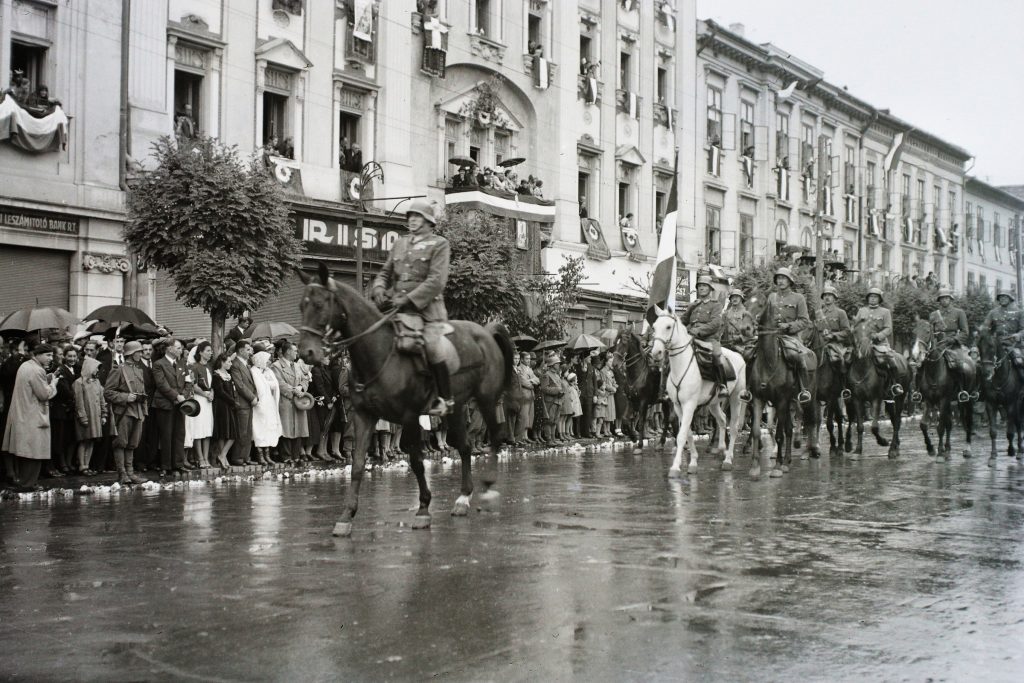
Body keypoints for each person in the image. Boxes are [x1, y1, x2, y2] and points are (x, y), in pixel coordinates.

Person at [371, 198, 454, 416]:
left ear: (429, 222)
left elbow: (436, 281)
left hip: (427, 312)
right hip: (396, 309)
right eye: (410, 216)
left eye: (418, 217)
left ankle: (445, 399)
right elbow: (385, 272)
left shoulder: (439, 244)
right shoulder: (400, 243)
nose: (413, 220)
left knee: (433, 346)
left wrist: (408, 299)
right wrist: (379, 289)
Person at [2, 343, 59, 491]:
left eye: (52, 355)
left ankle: (25, 482)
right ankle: (28, 484)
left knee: (25, 451)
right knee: (34, 452)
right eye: (48, 355)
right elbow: (44, 394)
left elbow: (32, 386)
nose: (50, 358)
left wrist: (45, 379)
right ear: (37, 354)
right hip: (34, 416)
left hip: (22, 414)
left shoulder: (25, 366)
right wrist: (53, 384)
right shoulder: (36, 370)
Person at [103, 341, 149, 484]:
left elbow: (142, 392)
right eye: (139, 352)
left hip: (138, 410)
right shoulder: (118, 369)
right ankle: (122, 474)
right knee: (120, 443)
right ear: (131, 353)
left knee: (132, 443)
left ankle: (130, 473)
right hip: (123, 411)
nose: (141, 354)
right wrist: (125, 397)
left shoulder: (139, 369)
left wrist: (144, 410)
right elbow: (108, 392)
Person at [767, 267, 814, 404]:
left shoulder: (798, 298)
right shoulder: (771, 297)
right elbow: (764, 316)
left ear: (790, 281)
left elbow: (804, 321)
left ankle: (803, 389)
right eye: (778, 278)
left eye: (784, 278)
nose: (780, 281)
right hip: (771, 335)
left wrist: (788, 326)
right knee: (752, 353)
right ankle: (750, 388)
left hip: (790, 337)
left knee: (796, 356)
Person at [853, 288, 904, 399]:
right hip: (862, 344)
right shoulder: (862, 311)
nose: (872, 299)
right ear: (867, 298)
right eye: (871, 297)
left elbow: (888, 328)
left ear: (879, 299)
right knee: (849, 359)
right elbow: (855, 327)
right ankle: (848, 386)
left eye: (875, 297)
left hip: (879, 344)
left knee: (891, 359)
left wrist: (878, 336)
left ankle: (895, 384)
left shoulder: (885, 312)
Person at [152, 338, 190, 476]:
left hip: (180, 404)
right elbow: (161, 384)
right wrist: (176, 396)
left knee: (180, 433)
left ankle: (178, 464)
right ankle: (165, 465)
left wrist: (184, 396)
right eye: (178, 348)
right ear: (169, 348)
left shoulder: (182, 364)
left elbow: (188, 382)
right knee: (166, 435)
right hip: (165, 403)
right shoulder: (158, 364)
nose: (181, 350)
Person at [682, 275, 727, 389]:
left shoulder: (716, 305)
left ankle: (722, 385)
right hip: (690, 337)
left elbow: (715, 324)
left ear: (710, 289)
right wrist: (689, 309)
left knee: (717, 356)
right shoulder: (694, 304)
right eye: (700, 286)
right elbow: (683, 321)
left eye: (704, 286)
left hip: (709, 339)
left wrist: (697, 331)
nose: (701, 288)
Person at [929, 285, 972, 402]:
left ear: (951, 299)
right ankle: (920, 392)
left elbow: (965, 332)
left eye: (946, 298)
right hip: (937, 345)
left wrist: (954, 339)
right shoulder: (933, 315)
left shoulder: (959, 312)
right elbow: (930, 332)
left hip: (953, 345)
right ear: (939, 300)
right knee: (923, 363)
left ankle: (962, 391)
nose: (944, 300)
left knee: (959, 365)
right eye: (942, 298)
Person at [272, 341, 309, 464]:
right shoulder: (276, 366)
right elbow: (280, 383)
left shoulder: (297, 365)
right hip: (286, 400)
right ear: (288, 351)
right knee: (287, 429)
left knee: (298, 428)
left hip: (298, 401)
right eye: (295, 350)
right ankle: (287, 456)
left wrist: (301, 387)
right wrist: (294, 390)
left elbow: (305, 379)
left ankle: (296, 455)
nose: (296, 353)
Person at [72, 356, 106, 475]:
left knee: (91, 440)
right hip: (86, 417)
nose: (97, 370)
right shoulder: (79, 383)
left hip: (95, 417)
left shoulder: (97, 382)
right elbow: (79, 402)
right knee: (84, 440)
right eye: (96, 368)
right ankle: (82, 465)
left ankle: (87, 464)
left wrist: (103, 414)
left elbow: (101, 399)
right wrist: (82, 417)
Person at [981, 289, 1024, 382]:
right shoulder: (993, 312)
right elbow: (985, 327)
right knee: (980, 362)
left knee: (1020, 363)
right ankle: (977, 391)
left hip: (1013, 344)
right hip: (997, 344)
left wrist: (1019, 334)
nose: (1002, 299)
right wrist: (982, 331)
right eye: (1000, 297)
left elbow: (1023, 329)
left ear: (1010, 298)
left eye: (1005, 297)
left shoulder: (1019, 312)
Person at [49, 344, 78, 475]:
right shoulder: (61, 370)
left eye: (74, 356)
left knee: (72, 437)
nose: (72, 358)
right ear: (64, 357)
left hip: (72, 410)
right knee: (61, 438)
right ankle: (62, 463)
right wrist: (78, 395)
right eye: (69, 356)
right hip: (61, 409)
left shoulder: (77, 369)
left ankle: (69, 461)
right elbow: (65, 390)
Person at [187, 341, 215, 468]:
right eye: (208, 350)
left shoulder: (209, 367)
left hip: (208, 400)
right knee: (198, 428)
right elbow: (194, 385)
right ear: (201, 352)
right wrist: (205, 394)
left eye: (211, 351)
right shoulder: (194, 366)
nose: (210, 353)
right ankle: (200, 458)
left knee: (207, 429)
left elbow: (211, 384)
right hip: (199, 399)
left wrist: (212, 393)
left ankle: (206, 457)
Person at [230, 340, 258, 465]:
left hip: (249, 402)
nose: (250, 352)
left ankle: (246, 457)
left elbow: (251, 384)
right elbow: (239, 385)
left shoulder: (246, 364)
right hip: (242, 402)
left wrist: (255, 396)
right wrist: (252, 397)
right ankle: (237, 457)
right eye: (247, 349)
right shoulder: (235, 364)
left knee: (248, 430)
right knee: (242, 431)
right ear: (240, 351)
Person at [251, 351, 282, 465]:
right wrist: (267, 382)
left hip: (269, 403)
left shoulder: (268, 371)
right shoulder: (254, 371)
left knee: (268, 427)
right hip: (260, 405)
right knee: (260, 429)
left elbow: (275, 385)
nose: (269, 362)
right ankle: (260, 455)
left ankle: (267, 454)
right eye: (267, 360)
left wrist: (268, 380)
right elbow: (259, 387)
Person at [817, 284, 853, 374]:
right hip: (819, 343)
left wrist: (833, 335)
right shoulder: (818, 313)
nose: (827, 297)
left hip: (835, 343)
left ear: (834, 298)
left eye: (830, 295)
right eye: (825, 295)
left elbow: (847, 331)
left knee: (838, 360)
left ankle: (843, 385)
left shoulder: (841, 313)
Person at [210, 352, 237, 471]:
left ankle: (222, 455)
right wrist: (233, 401)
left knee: (231, 434)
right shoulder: (217, 375)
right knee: (224, 433)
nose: (230, 364)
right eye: (229, 361)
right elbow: (220, 392)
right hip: (221, 406)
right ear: (222, 362)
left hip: (229, 405)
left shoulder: (228, 375)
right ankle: (222, 456)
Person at [538, 352, 564, 445]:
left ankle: (553, 438)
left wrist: (561, 391)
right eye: (557, 363)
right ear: (552, 365)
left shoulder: (557, 375)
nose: (558, 365)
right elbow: (544, 388)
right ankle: (549, 439)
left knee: (554, 421)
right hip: (550, 400)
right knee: (548, 420)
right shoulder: (546, 375)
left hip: (557, 400)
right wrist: (557, 390)